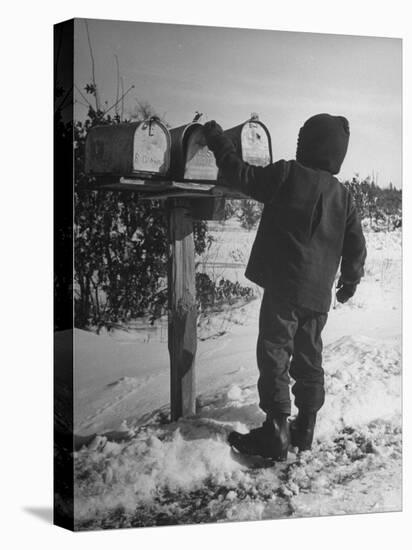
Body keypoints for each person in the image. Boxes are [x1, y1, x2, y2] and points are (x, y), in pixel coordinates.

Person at [203, 114, 367, 461]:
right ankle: (305, 426)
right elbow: (356, 245)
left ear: (310, 143)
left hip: (284, 286)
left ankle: (276, 432)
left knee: (275, 353)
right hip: (319, 295)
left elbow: (242, 176)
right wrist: (350, 280)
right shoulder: (345, 196)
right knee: (309, 357)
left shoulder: (287, 173)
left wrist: (218, 140)